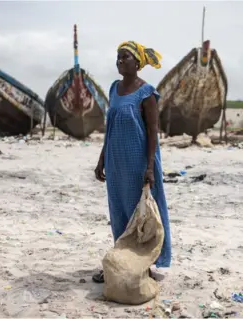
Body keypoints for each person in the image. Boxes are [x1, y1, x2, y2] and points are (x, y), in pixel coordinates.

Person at [93, 41, 172, 283]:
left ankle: (146, 264)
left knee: (144, 214)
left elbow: (152, 132)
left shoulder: (146, 92)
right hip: (116, 162)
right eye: (117, 57)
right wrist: (102, 158)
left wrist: (149, 167)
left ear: (137, 62)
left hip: (138, 161)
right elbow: (111, 126)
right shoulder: (115, 89)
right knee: (119, 212)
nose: (119, 61)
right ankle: (122, 261)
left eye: (125, 57)